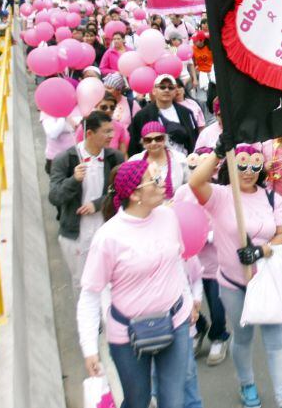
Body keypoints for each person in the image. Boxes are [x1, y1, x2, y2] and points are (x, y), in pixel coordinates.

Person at [78, 160, 195, 408]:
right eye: (155, 180)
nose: (162, 183)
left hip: (175, 321)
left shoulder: (168, 217)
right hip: (127, 335)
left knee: (173, 401)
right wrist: (89, 348)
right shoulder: (108, 237)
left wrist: (190, 300)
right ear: (134, 194)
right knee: (137, 401)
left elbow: (176, 264)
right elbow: (89, 295)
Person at [188, 144, 282, 408]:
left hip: (267, 281)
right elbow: (195, 182)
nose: (248, 172)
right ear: (231, 165)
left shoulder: (272, 197)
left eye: (254, 165)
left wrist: (261, 250)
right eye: (242, 165)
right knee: (243, 337)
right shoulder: (221, 196)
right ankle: (246, 384)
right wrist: (218, 150)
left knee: (276, 342)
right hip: (234, 283)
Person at [48, 111, 126, 295]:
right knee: (83, 285)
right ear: (89, 133)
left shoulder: (115, 157)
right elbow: (55, 197)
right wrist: (74, 180)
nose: (111, 136)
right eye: (106, 132)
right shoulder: (65, 159)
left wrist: (97, 204)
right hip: (76, 233)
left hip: (106, 229)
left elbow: (121, 192)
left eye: (112, 131)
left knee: (112, 281)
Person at [129, 75, 199, 157]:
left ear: (175, 91)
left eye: (171, 87)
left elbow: (193, 138)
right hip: (153, 164)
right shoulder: (143, 115)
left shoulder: (186, 113)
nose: (166, 90)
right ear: (154, 91)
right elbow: (135, 144)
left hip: (183, 162)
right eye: (162, 87)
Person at [129, 122, 189, 197]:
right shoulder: (134, 161)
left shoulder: (179, 159)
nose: (153, 143)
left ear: (164, 139)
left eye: (158, 139)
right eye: (148, 140)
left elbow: (188, 187)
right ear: (143, 143)